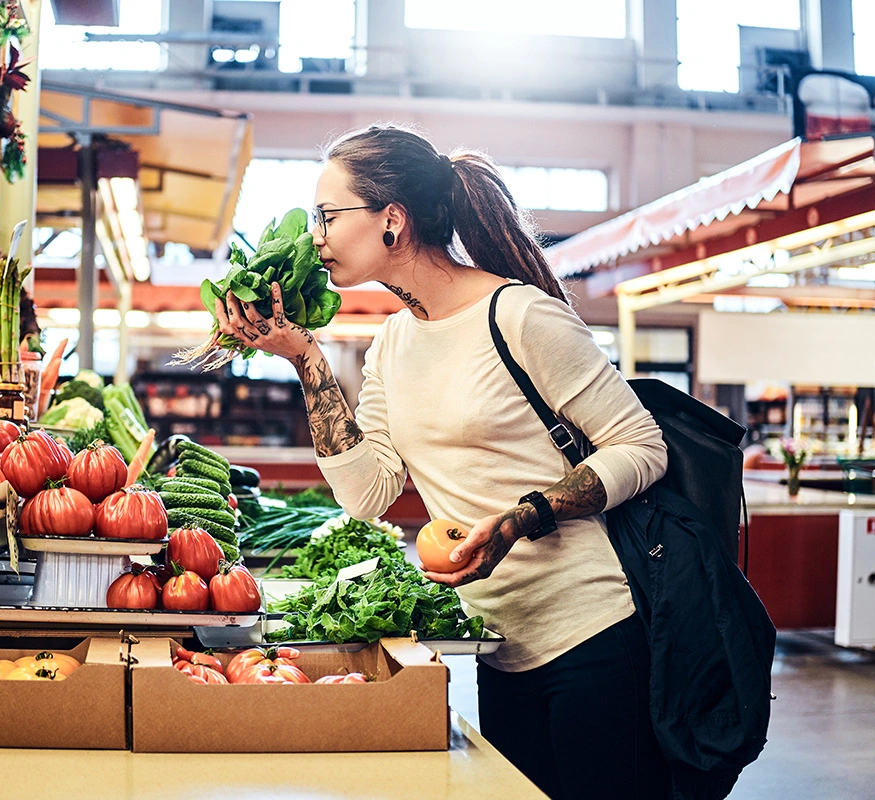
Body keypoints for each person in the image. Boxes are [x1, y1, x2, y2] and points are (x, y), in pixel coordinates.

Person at [215, 124, 671, 800]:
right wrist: (307, 362)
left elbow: (642, 446)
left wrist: (522, 518)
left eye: (329, 215)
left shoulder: (519, 315)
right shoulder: (393, 343)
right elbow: (368, 493)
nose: (316, 235)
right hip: (494, 644)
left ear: (391, 221)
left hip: (593, 636)